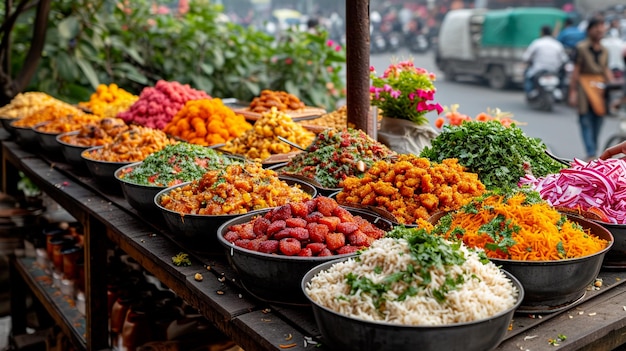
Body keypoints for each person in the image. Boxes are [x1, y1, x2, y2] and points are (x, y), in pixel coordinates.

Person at [568, 17, 615, 161]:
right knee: (586, 120)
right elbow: (576, 70)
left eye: (602, 27)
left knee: (599, 120)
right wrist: (573, 91)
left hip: (600, 88)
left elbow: (605, 69)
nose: (600, 30)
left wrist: (613, 84)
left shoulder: (605, 50)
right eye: (597, 27)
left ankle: (593, 150)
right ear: (589, 30)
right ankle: (590, 152)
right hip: (584, 87)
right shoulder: (581, 48)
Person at [522, 25, 569, 95]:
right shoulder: (557, 44)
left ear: (542, 33)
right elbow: (564, 59)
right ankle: (561, 90)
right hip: (554, 70)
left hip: (538, 69)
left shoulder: (537, 43)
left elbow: (526, 57)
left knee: (527, 75)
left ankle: (530, 92)